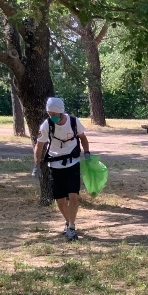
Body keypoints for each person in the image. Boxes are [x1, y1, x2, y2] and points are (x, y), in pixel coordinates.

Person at [33, 97, 91, 242]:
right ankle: (68, 221)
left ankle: (71, 227)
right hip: (55, 166)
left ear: (61, 112)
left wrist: (87, 152)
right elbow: (39, 146)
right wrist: (36, 165)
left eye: (54, 114)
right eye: (49, 114)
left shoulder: (73, 122)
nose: (52, 116)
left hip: (73, 163)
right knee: (60, 200)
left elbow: (83, 138)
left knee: (74, 196)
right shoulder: (46, 125)